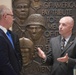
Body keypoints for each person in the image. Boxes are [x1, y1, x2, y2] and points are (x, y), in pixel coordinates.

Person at [0, 5, 22, 75]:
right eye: (12, 16)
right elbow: (3, 63)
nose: (13, 19)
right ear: (5, 16)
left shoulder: (13, 35)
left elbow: (18, 56)